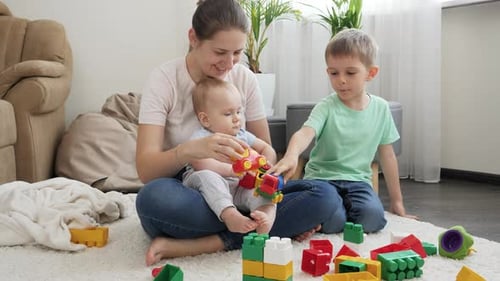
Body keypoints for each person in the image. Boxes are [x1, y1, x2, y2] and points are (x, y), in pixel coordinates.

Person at [135, 0, 336, 266]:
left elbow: (265, 150)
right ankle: (260, 227)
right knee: (153, 199)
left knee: (324, 195)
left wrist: (267, 167)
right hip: (193, 191)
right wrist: (189, 151)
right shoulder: (164, 79)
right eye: (219, 52)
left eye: (237, 53)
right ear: (193, 38)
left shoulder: (244, 78)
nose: (228, 64)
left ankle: (211, 241)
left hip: (244, 188)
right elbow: (146, 171)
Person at [268, 28, 417, 235]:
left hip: (358, 182)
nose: (341, 80)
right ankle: (332, 213)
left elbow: (388, 155)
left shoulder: (381, 109)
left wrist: (397, 202)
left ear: (370, 73)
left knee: (373, 219)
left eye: (350, 72)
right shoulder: (326, 106)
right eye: (334, 73)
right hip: (322, 181)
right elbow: (305, 133)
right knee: (334, 223)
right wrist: (292, 155)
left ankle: (334, 213)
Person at [184, 77, 277, 234]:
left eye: (239, 112)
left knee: (266, 189)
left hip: (240, 185)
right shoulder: (202, 137)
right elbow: (201, 163)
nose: (236, 118)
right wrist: (232, 170)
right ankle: (230, 215)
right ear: (205, 119)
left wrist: (266, 167)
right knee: (207, 176)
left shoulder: (242, 134)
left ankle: (264, 216)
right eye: (228, 114)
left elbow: (266, 148)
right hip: (208, 185)